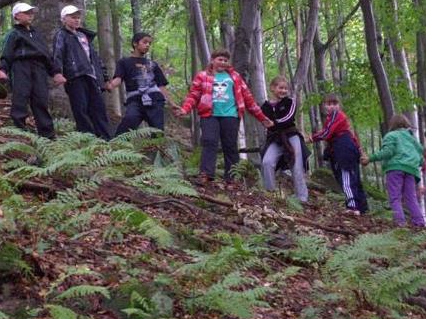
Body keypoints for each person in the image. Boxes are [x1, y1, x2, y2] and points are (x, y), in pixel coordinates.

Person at [175, 49, 272, 184]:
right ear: (213, 60)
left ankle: (232, 178)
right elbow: (193, 95)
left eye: (225, 60)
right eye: (220, 59)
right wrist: (185, 109)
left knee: (230, 145)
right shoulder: (202, 76)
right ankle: (206, 174)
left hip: (231, 116)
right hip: (209, 115)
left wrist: (262, 118)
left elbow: (248, 99)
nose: (223, 62)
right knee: (209, 141)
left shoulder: (235, 77)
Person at [0, 2, 63, 139]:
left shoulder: (37, 34)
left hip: (39, 68)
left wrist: (55, 72)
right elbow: (6, 53)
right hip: (20, 66)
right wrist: (3, 69)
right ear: (17, 15)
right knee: (20, 98)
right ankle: (20, 132)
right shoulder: (14, 34)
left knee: (41, 101)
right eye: (26, 12)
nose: (30, 15)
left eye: (31, 12)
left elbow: (46, 54)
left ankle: (48, 136)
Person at [52, 5, 111, 139]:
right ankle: (87, 139)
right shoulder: (61, 35)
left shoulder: (84, 36)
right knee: (80, 109)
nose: (77, 20)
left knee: (98, 108)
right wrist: (57, 72)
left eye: (78, 17)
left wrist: (105, 78)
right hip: (75, 76)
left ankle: (106, 139)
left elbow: (95, 58)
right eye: (73, 17)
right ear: (64, 19)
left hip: (92, 76)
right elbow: (57, 54)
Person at [308, 94, 368, 214]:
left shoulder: (337, 115)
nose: (332, 107)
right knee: (352, 177)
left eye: (334, 104)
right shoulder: (334, 118)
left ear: (338, 105)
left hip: (344, 149)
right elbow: (351, 135)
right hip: (345, 149)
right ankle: (362, 207)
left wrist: (311, 138)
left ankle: (353, 207)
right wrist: (360, 151)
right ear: (324, 106)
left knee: (346, 177)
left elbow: (326, 133)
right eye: (329, 104)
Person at [363, 114, 425, 227]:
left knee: (395, 198)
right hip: (411, 171)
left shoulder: (391, 135)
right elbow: (421, 159)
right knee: (411, 198)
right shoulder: (413, 140)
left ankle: (400, 224)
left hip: (395, 169)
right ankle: (420, 223)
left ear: (392, 124)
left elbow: (388, 152)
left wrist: (370, 158)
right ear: (406, 124)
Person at [106, 32, 175, 135]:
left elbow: (161, 86)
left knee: (158, 133)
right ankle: (117, 148)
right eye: (145, 42)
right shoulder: (124, 62)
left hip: (155, 100)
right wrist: (109, 85)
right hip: (135, 100)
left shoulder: (153, 64)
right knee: (126, 127)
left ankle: (155, 151)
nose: (147, 45)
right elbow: (118, 79)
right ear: (135, 43)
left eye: (149, 43)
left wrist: (172, 104)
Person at [259, 76, 309, 203]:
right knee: (267, 162)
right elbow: (263, 120)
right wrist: (269, 123)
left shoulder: (290, 102)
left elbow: (288, 118)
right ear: (272, 88)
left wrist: (273, 123)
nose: (283, 91)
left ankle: (302, 198)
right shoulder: (265, 106)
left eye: (285, 88)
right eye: (280, 88)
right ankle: (270, 194)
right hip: (275, 139)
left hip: (291, 136)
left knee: (297, 166)